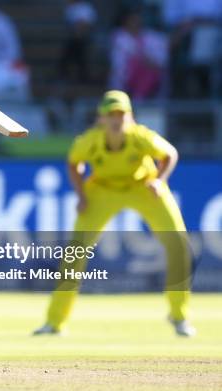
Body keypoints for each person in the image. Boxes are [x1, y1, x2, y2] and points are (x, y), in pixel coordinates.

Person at [33, 90, 195, 337]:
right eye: (111, 114)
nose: (116, 119)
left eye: (121, 113)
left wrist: (160, 181)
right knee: (74, 253)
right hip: (102, 190)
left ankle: (179, 316)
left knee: (178, 245)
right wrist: (82, 195)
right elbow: (73, 162)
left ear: (130, 117)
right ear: (101, 118)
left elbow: (170, 154)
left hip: (143, 186)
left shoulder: (141, 137)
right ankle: (54, 323)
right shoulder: (90, 140)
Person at [109, 10, 168, 99]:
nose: (136, 23)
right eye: (132, 20)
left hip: (148, 77)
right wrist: (145, 60)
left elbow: (162, 52)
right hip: (124, 77)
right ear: (125, 21)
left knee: (152, 72)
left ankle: (140, 98)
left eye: (138, 20)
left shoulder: (150, 36)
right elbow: (124, 60)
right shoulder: (118, 36)